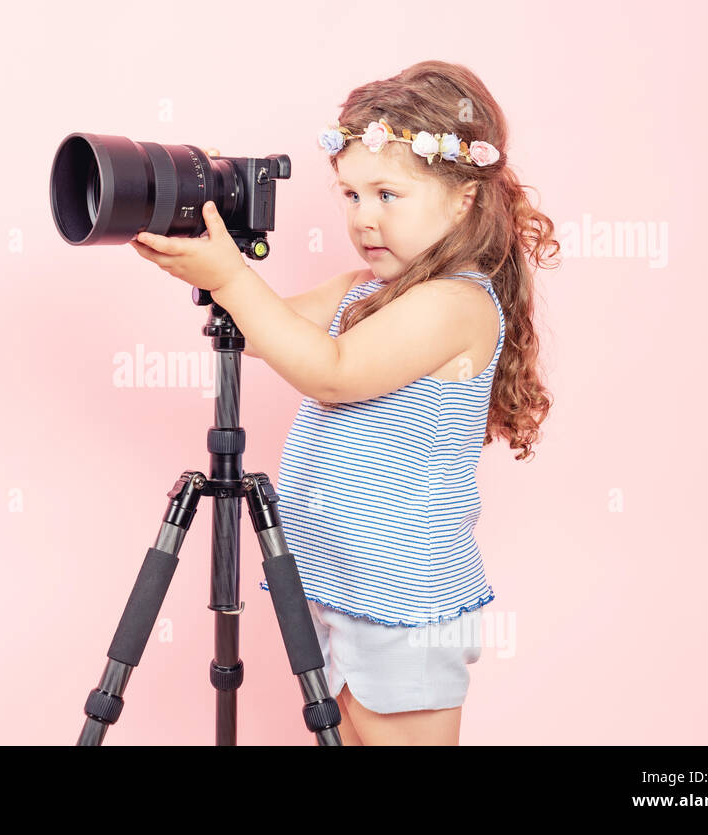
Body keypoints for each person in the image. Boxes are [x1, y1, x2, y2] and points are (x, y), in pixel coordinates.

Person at [130, 60, 556, 744]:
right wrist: (203, 234)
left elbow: (330, 370)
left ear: (463, 198)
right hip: (342, 592)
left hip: (405, 603)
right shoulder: (362, 288)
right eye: (351, 195)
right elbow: (263, 329)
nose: (364, 218)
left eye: (388, 194)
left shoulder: (456, 305)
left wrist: (233, 278)